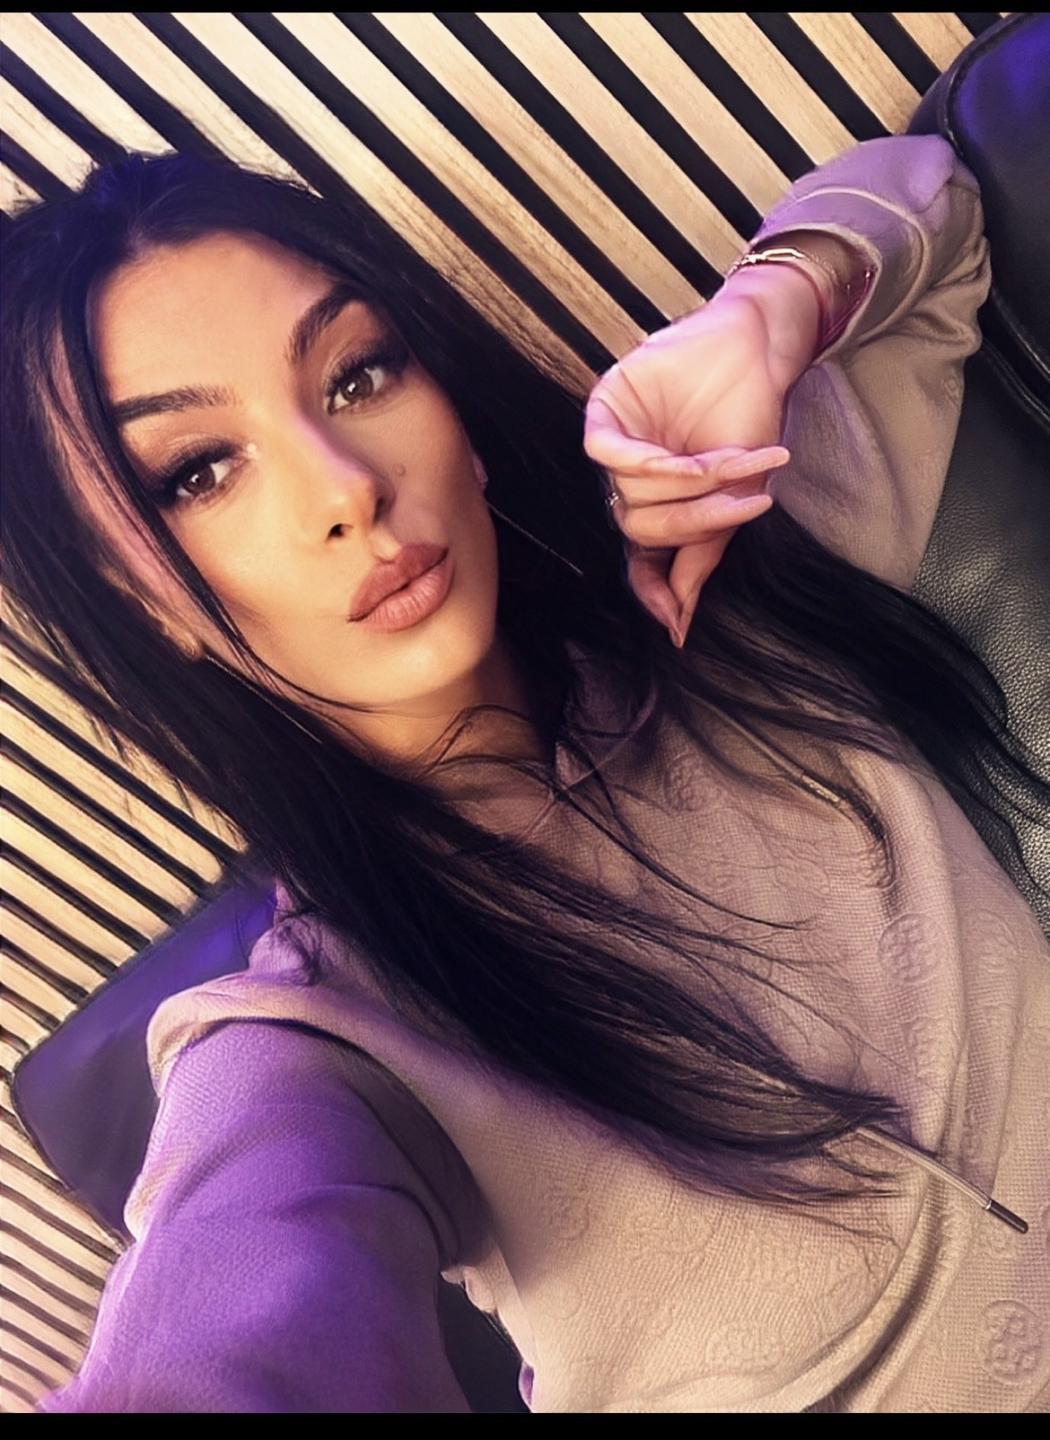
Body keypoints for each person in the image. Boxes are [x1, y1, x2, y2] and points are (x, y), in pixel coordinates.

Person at [4, 131, 1048, 1413]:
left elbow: (932, 191)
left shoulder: (743, 570)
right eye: (198, 473)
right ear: (143, 607)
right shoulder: (316, 1039)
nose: (345, 490)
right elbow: (231, 1319)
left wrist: (764, 316)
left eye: (357, 374)